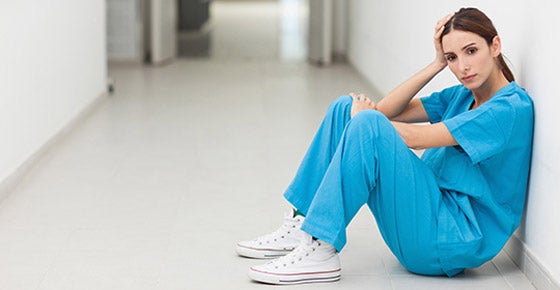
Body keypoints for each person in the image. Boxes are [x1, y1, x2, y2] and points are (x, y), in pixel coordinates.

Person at [236, 7, 534, 285]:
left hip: (451, 239)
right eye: (453, 58)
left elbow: (414, 137)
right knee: (346, 107)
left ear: (495, 46)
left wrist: (367, 118)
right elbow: (384, 110)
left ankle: (321, 246)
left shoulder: (509, 109)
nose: (463, 66)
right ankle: (302, 223)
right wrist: (436, 65)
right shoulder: (463, 94)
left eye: (471, 51)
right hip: (427, 212)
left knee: (367, 123)